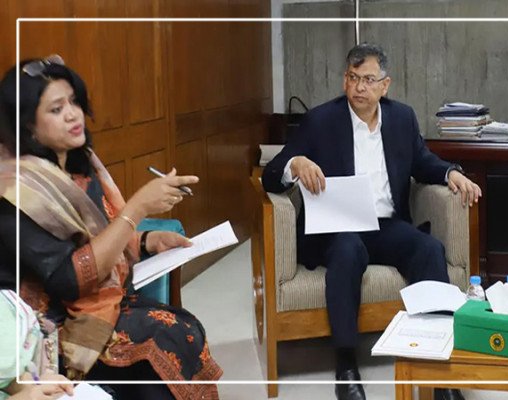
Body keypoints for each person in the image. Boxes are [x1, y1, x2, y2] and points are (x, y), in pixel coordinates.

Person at [262, 43, 481, 400]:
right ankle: (346, 365)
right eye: (352, 78)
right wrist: (295, 163)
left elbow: (422, 161)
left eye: (367, 79)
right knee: (347, 250)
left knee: (429, 249)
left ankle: (439, 372)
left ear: (385, 85)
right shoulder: (321, 120)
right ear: (344, 80)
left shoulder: (402, 118)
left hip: (385, 224)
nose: (358, 87)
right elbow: (269, 175)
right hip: (338, 226)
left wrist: (450, 173)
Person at [0, 55, 222, 399]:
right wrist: (138, 207)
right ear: (28, 125)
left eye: (73, 102)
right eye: (56, 109)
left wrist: (146, 241)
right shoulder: (18, 191)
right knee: (161, 340)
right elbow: (70, 279)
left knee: (182, 328)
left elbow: (99, 235)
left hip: (100, 302)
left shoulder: (79, 165)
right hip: (49, 327)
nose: (73, 114)